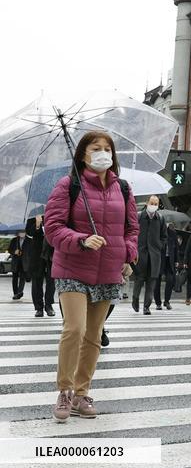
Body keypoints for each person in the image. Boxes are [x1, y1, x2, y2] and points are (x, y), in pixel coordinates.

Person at [43, 130, 139, 422]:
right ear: (83, 153)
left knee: (94, 335)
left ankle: (82, 393)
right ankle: (65, 390)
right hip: (73, 268)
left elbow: (132, 230)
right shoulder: (68, 185)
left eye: (107, 148)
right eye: (96, 148)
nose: (103, 153)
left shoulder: (123, 188)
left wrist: (128, 254)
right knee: (74, 329)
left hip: (108, 271)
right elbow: (53, 227)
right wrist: (82, 240)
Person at [132, 196, 167, 315]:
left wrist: (159, 246)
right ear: (147, 203)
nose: (154, 205)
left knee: (151, 283)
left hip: (155, 256)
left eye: (156, 203)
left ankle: (146, 307)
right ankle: (135, 299)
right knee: (139, 279)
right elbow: (132, 232)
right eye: (152, 203)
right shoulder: (139, 216)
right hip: (140, 254)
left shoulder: (160, 219)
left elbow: (164, 237)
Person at [25, 215, 55, 317]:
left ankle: (49, 306)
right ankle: (39, 308)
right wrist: (37, 225)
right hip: (37, 253)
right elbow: (29, 232)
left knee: (51, 280)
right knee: (37, 281)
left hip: (51, 252)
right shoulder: (33, 214)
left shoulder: (53, 211)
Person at [154, 222, 179, 310]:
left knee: (170, 280)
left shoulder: (173, 233)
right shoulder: (157, 232)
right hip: (159, 260)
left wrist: (176, 260)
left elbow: (176, 248)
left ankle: (167, 301)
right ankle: (158, 303)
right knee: (157, 281)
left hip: (169, 260)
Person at [8, 228, 27, 299]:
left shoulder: (29, 240)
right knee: (15, 278)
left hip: (24, 262)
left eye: (23, 232)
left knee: (23, 277)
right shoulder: (14, 240)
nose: (22, 233)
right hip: (15, 262)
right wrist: (14, 252)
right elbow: (9, 249)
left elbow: (30, 251)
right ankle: (15, 293)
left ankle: (19, 292)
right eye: (20, 232)